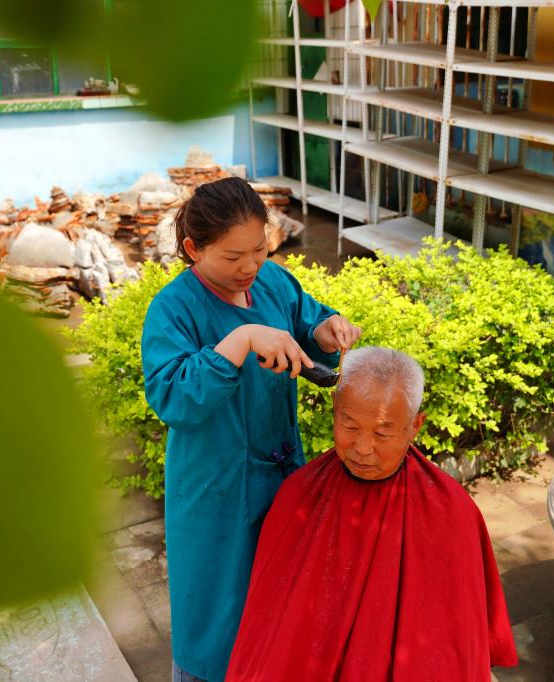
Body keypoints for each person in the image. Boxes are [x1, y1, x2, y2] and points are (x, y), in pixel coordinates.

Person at [141, 177, 361, 682]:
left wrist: (327, 331)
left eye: (259, 249)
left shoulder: (273, 282)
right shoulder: (173, 309)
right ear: (193, 249)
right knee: (215, 617)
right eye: (232, 256)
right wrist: (239, 341)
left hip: (280, 475)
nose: (249, 267)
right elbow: (173, 397)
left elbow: (307, 323)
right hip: (213, 490)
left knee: (280, 602)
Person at [226, 347, 518, 681]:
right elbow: (270, 633)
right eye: (349, 426)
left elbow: (451, 647)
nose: (363, 448)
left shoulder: (452, 511)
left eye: (382, 433)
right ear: (335, 410)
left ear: (414, 426)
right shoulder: (298, 496)